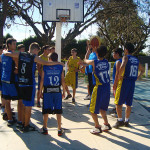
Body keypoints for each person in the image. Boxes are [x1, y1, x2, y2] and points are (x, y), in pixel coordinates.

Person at [4, 42, 63, 132]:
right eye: (37, 51)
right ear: (34, 50)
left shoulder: (20, 54)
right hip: (29, 84)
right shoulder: (34, 57)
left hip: (21, 83)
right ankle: (26, 126)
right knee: (28, 106)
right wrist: (59, 63)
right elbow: (46, 63)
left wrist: (4, 51)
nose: (38, 53)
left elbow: (8, 53)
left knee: (23, 104)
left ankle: (22, 123)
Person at [113, 42, 144, 128]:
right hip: (132, 83)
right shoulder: (136, 60)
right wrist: (137, 77)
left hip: (124, 82)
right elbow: (143, 70)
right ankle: (127, 120)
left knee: (118, 102)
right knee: (128, 103)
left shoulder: (125, 57)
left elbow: (122, 66)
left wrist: (119, 76)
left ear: (126, 50)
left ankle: (119, 120)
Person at [84, 45, 111, 134]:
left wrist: (88, 50)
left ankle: (97, 127)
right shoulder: (106, 62)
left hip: (99, 87)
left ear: (97, 53)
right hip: (107, 87)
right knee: (102, 108)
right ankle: (106, 124)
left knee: (92, 109)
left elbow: (85, 60)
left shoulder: (94, 62)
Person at [39, 52, 65, 136]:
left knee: (46, 110)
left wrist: (39, 92)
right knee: (58, 110)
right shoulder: (60, 66)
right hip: (57, 90)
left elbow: (42, 80)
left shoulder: (45, 66)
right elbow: (62, 80)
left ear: (50, 59)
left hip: (48, 90)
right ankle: (59, 129)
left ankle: (45, 128)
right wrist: (64, 91)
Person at [1, 38, 19, 126]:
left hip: (4, 79)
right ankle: (20, 119)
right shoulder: (13, 55)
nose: (15, 46)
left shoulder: (2, 55)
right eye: (14, 44)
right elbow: (18, 68)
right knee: (20, 99)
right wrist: (16, 69)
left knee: (7, 101)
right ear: (9, 45)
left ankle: (10, 118)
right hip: (11, 80)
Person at [110, 48, 123, 116]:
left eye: (113, 53)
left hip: (118, 82)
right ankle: (116, 108)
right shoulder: (123, 61)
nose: (113, 54)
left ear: (117, 54)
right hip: (121, 82)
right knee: (118, 97)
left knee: (117, 97)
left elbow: (117, 74)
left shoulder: (118, 62)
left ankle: (116, 111)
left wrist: (115, 84)